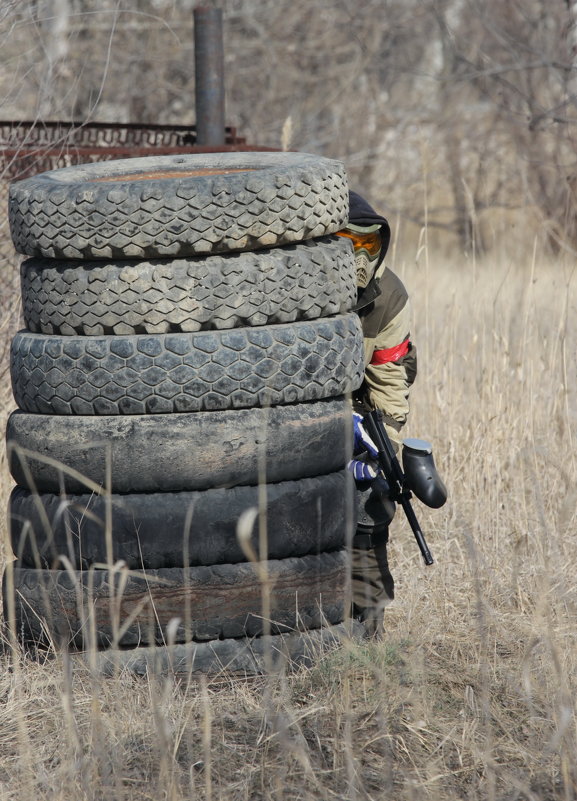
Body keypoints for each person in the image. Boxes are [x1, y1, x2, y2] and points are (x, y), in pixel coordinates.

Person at [336, 191, 417, 637]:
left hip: (359, 410)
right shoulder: (288, 284)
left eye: (371, 245)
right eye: (350, 242)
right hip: (290, 419)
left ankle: (368, 624)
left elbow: (390, 375)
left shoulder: (388, 294)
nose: (361, 256)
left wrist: (384, 443)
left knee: (372, 502)